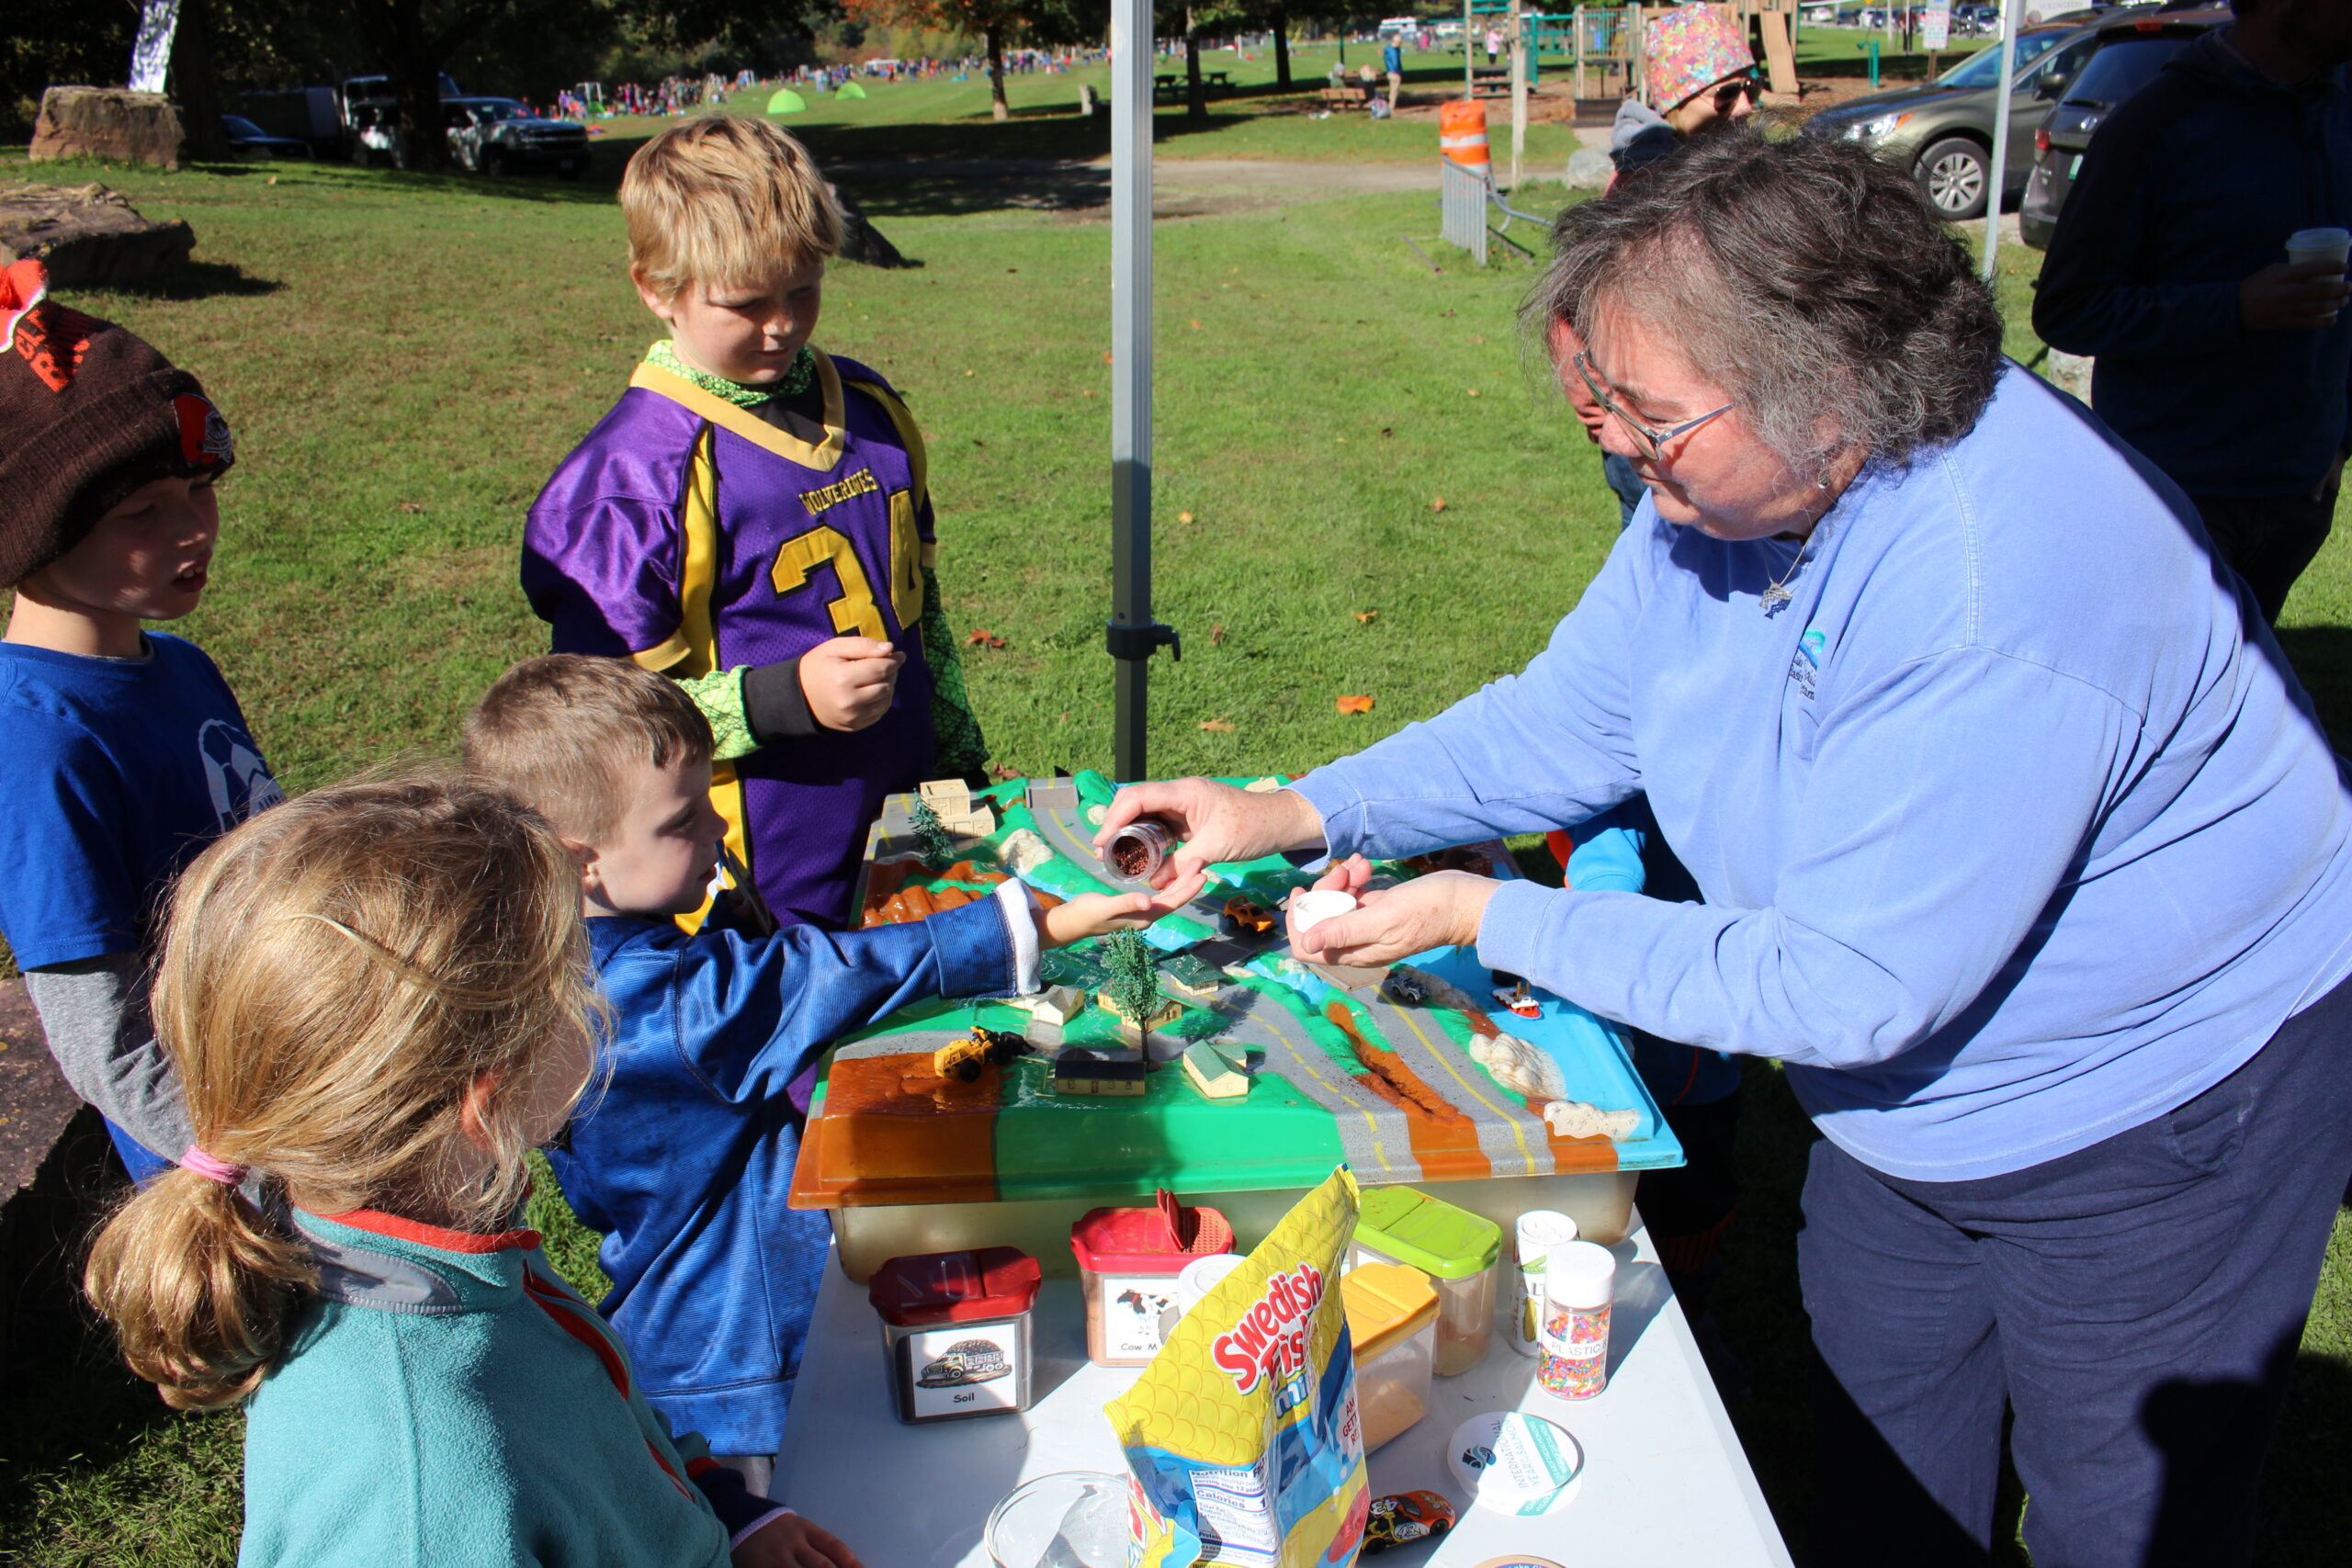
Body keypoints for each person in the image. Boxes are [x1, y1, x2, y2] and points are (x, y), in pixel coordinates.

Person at [1101, 131, 2352, 1568]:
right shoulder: (1734, 480)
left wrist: (1483, 912)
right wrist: (1293, 811)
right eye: (1603, 412)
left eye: (1650, 419)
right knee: (1883, 1470)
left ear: (1833, 382)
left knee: (2121, 1523)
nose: (1620, 452)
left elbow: (1843, 981)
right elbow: (1575, 717)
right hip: (1906, 1091)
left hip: (2162, 1108)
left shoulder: (1993, 589)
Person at [80, 775, 862, 1568]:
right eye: (577, 979)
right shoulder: (415, 1501)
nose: (600, 1005)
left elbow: (604, 1429)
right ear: (489, 1099)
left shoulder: (444, 1242)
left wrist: (724, 1510)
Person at [462, 655, 1205, 1483]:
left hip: (692, 1331)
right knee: (795, 1507)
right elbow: (818, 980)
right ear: (580, 861)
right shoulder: (661, 1006)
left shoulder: (566, 960)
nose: (716, 830)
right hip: (740, 1361)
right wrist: (1034, 924)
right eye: (682, 820)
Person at [524, 114, 989, 932]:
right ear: (655, 288)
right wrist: (782, 697)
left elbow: (926, 615)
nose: (781, 324)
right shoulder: (628, 485)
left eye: (803, 288)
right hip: (759, 873)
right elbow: (598, 737)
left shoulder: (871, 408)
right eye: (744, 303)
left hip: (910, 818)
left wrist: (960, 765)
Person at [0, 258, 280, 1187]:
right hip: (232, 1180)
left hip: (298, 1088)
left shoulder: (184, 667)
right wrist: (269, 1174)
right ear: (31, 530)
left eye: (200, 489)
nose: (194, 528)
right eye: (141, 512)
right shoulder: (36, 738)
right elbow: (104, 1040)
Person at [2035, 0, 2352, 625]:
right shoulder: (2156, 125)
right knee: (2155, 677)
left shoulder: (2341, 111)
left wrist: (2340, 441)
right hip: (2179, 493)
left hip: (2299, 489)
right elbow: (2068, 308)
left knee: (2251, 673)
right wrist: (2236, 307)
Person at [1581, 3, 1761, 526]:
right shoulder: (1648, 192)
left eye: (1752, 87)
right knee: (1661, 554)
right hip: (1658, 431)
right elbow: (1579, 308)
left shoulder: (1711, 169)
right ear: (1677, 103)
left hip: (1707, 423)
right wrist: (1603, 402)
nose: (1746, 106)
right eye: (1726, 95)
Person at [1383, 36, 1405, 111]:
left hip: (1389, 72)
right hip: (1395, 73)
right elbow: (1395, 63)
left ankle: (1390, 105)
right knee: (1394, 91)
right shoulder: (1394, 51)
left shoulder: (1388, 50)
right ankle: (1391, 107)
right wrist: (1399, 71)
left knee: (1392, 90)